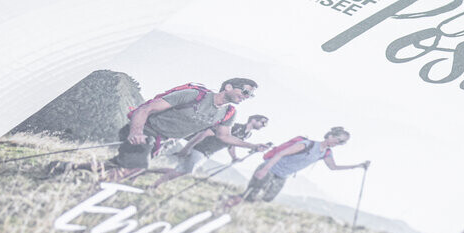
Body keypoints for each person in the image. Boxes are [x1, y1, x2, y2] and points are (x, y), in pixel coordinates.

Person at [104, 77, 258, 182]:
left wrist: (253, 146)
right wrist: (136, 132)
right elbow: (145, 110)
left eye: (250, 95)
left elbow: (225, 137)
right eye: (245, 92)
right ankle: (94, 189)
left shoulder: (228, 113)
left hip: (161, 142)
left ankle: (82, 169)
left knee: (116, 165)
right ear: (228, 87)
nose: (246, 96)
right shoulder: (194, 95)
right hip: (145, 132)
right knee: (134, 169)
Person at [220, 126, 369, 209]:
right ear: (330, 135)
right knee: (252, 194)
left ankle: (236, 205)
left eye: (343, 143)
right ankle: (227, 204)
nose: (339, 143)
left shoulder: (326, 152)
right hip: (271, 168)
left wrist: (357, 166)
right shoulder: (307, 144)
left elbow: (333, 167)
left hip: (282, 175)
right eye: (339, 139)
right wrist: (264, 170)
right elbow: (281, 154)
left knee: (267, 198)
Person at [148, 114, 271, 189]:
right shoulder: (235, 126)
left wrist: (234, 157)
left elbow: (230, 144)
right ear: (254, 120)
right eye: (263, 122)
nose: (264, 125)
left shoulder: (247, 135)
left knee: (179, 170)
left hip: (208, 152)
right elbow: (207, 133)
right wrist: (188, 148)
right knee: (185, 171)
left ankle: (144, 173)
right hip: (202, 148)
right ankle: (154, 185)